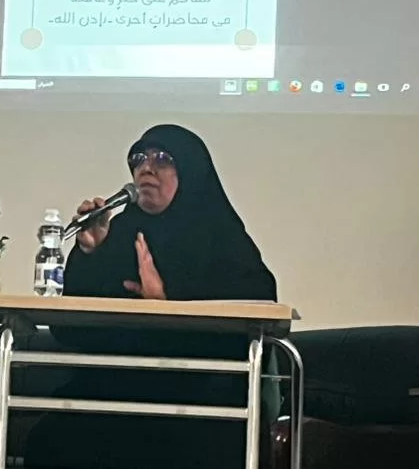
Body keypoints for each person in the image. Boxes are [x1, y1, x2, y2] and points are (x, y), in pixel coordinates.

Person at [23, 124, 278, 469]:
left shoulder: (221, 237)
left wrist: (169, 300)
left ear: (191, 172)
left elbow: (260, 307)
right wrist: (91, 255)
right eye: (139, 158)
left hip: (200, 399)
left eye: (162, 159)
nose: (146, 167)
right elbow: (69, 331)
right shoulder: (120, 231)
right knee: (51, 440)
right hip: (117, 393)